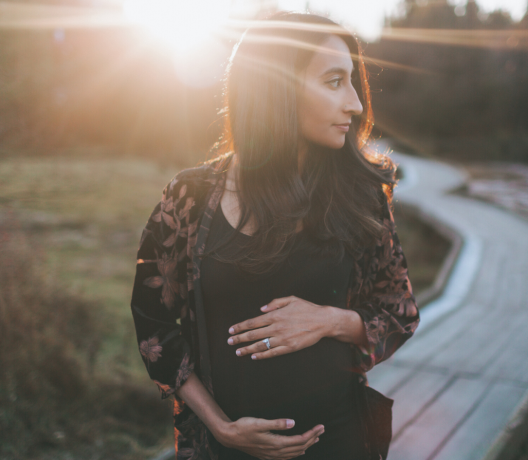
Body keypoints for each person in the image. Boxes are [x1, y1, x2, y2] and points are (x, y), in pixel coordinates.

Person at [130, 11, 420, 460]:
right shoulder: (189, 198)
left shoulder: (360, 194)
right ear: (277, 87)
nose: (356, 104)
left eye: (352, 82)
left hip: (339, 445)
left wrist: (331, 319)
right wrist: (221, 427)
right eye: (333, 81)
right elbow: (154, 326)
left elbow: (398, 312)